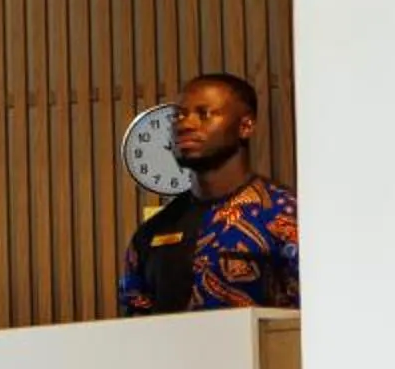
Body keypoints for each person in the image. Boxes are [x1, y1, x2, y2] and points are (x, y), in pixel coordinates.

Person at [119, 73, 301, 317]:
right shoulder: (153, 231)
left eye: (204, 114)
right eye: (179, 116)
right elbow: (134, 323)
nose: (185, 124)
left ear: (245, 126)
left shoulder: (286, 215)